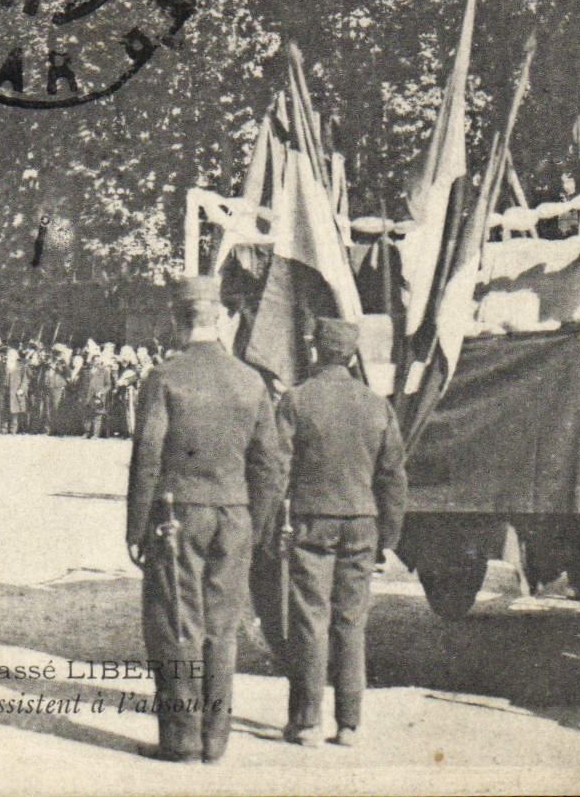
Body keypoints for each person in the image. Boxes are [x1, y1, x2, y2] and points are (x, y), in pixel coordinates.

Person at [128, 275, 282, 764]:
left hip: (177, 516)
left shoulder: (165, 377)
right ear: (220, 319)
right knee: (222, 628)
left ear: (177, 319)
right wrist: (256, 525)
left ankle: (182, 741)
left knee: (177, 625)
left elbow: (148, 456)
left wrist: (136, 528)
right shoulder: (251, 380)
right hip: (234, 517)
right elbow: (270, 465)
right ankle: (215, 740)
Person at [276, 317, 407, 749]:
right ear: (351, 357)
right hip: (362, 524)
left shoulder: (296, 400)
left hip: (313, 521)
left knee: (310, 620)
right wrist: (387, 539)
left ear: (316, 350)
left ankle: (307, 723)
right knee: (351, 623)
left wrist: (272, 523)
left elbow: (276, 470)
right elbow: (393, 477)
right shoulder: (377, 406)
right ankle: (349, 724)